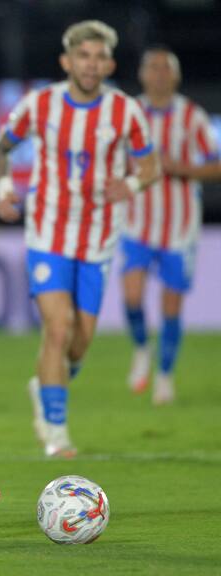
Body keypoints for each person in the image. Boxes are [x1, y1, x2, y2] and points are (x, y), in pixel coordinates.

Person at [0, 20, 160, 457]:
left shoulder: (125, 111)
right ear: (67, 61)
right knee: (58, 326)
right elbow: (2, 148)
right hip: (48, 234)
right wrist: (5, 189)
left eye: (99, 57)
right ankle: (57, 434)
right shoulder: (39, 104)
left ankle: (44, 385)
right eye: (83, 56)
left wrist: (132, 185)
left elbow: (150, 167)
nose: (91, 64)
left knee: (80, 342)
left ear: (110, 63)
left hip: (99, 239)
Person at [121, 47, 221, 405]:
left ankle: (164, 375)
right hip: (136, 224)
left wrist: (182, 169)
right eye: (153, 67)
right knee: (131, 296)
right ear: (143, 74)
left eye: (166, 68)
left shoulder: (192, 117)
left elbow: (216, 166)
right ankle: (141, 348)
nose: (160, 73)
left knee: (171, 306)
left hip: (179, 229)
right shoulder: (128, 113)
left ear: (176, 76)